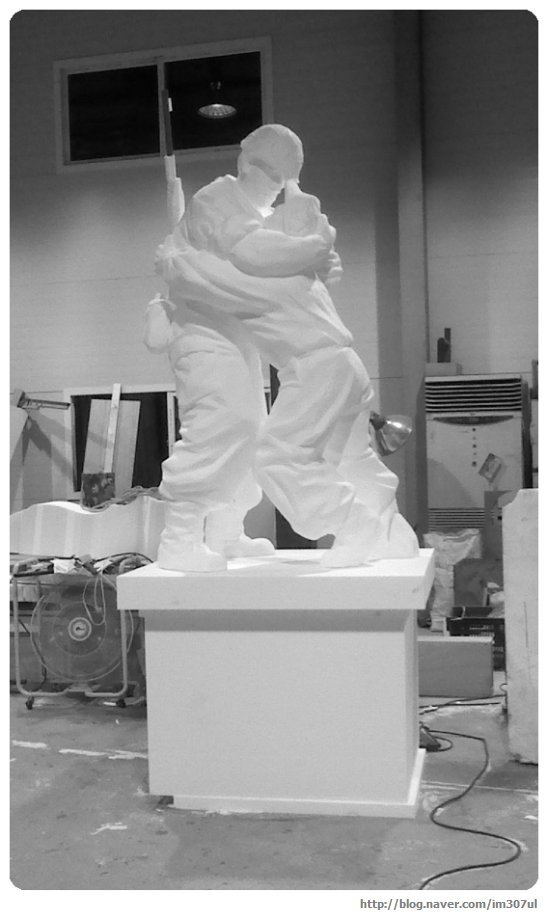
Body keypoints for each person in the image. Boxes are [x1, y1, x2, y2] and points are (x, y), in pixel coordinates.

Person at [154, 124, 419, 567]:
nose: (277, 191)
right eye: (273, 176)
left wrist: (314, 256)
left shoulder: (275, 269)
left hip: (304, 361)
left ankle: (355, 527)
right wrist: (314, 251)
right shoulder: (219, 205)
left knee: (268, 445)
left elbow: (243, 266)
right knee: (229, 425)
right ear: (245, 161)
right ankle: (183, 538)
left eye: (285, 182)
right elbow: (245, 258)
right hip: (216, 336)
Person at [144, 164, 275, 572]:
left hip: (237, 344)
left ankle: (226, 533)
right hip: (203, 343)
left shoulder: (226, 245)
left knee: (252, 434)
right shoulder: (191, 249)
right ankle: (180, 540)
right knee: (218, 430)